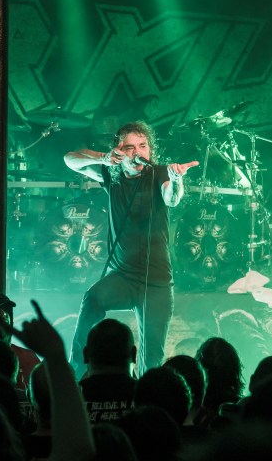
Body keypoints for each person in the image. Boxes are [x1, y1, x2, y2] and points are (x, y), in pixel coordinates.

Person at [64, 121, 198, 374]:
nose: (138, 152)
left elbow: (171, 198)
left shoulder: (159, 173)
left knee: (152, 360)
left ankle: (144, 393)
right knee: (93, 299)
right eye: (130, 147)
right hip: (122, 276)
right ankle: (77, 374)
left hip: (156, 281)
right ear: (119, 150)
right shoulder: (111, 175)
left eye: (143, 146)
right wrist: (103, 158)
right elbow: (70, 160)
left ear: (150, 150)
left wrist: (176, 180)